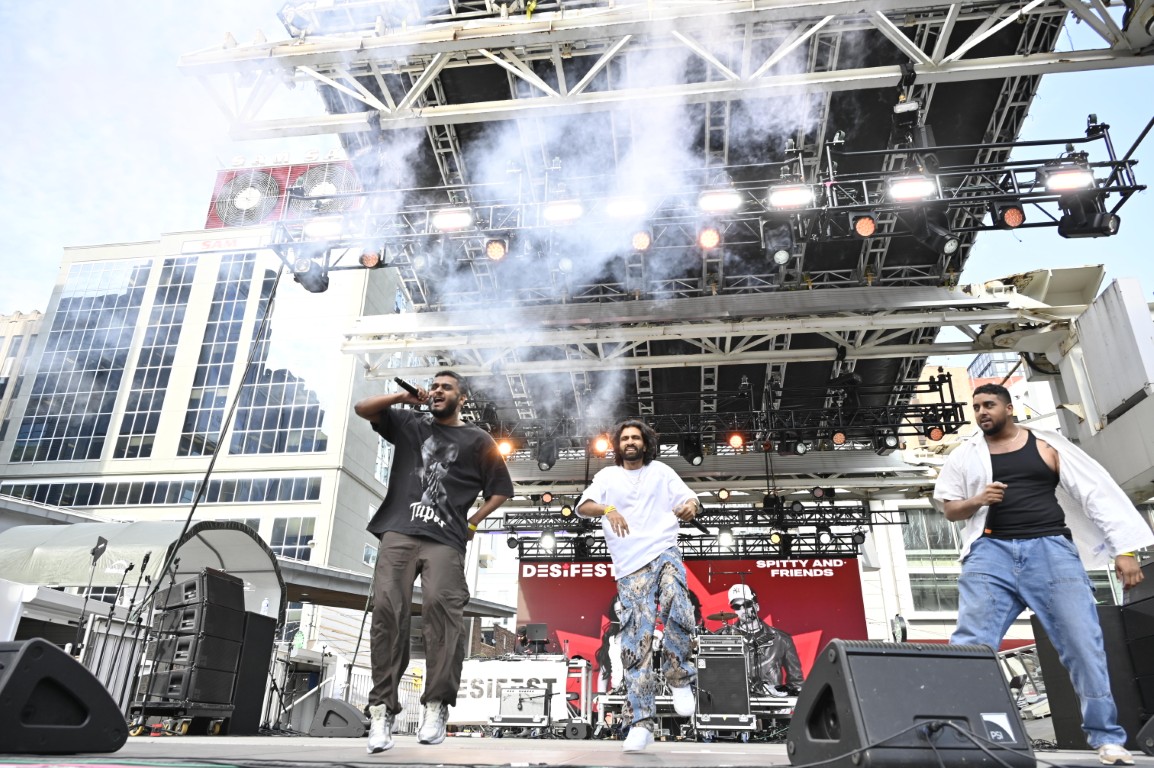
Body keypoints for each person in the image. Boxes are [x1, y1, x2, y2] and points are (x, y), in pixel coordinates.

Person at [934, 382, 1152, 767]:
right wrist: (978, 500)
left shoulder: (1047, 446)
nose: (982, 412)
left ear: (1008, 408)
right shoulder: (965, 455)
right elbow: (950, 509)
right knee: (970, 645)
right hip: (990, 553)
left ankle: (1107, 739)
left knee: (1083, 645)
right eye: (977, 406)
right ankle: (953, 733)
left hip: (1050, 552)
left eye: (989, 404)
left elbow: (1096, 495)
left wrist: (1125, 550)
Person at [354, 371, 514, 753]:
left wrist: (472, 522)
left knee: (443, 609)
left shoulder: (479, 440)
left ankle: (436, 705)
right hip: (399, 530)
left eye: (447, 387)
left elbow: (501, 490)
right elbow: (362, 408)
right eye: (435, 386)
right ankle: (382, 711)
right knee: (387, 611)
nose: (438, 391)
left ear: (462, 398)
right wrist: (401, 399)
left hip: (446, 537)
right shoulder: (410, 422)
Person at [577, 419, 701, 752]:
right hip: (630, 566)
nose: (630, 442)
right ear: (618, 446)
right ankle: (641, 723)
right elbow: (584, 507)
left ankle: (679, 676)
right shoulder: (607, 477)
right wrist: (608, 508)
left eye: (636, 437)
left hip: (664, 550)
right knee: (636, 641)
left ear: (645, 443)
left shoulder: (661, 471)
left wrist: (690, 507)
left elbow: (691, 500)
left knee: (678, 602)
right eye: (625, 438)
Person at [718, 584, 804, 697]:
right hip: (735, 702)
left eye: (747, 604)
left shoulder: (781, 639)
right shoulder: (722, 637)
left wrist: (777, 691)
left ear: (757, 606)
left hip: (771, 703)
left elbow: (797, 684)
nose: (743, 610)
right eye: (737, 607)